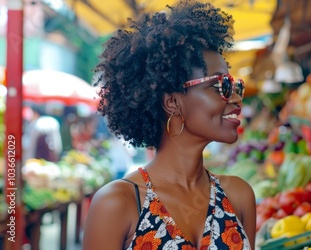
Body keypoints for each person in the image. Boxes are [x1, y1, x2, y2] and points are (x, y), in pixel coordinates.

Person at [82, 1, 256, 249]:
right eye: (221, 86)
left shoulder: (239, 196)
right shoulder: (118, 203)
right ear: (173, 102)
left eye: (236, 86)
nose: (237, 99)